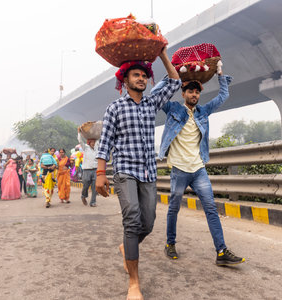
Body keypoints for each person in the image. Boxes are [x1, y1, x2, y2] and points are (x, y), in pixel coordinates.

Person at [96, 47, 180, 300]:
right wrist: (101, 172)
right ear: (125, 80)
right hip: (124, 170)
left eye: (144, 75)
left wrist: (163, 54)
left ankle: (127, 246)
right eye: (136, 75)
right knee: (132, 219)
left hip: (148, 171)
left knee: (149, 222)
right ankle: (134, 283)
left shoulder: (152, 102)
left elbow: (175, 81)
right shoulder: (115, 108)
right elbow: (105, 141)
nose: (141, 79)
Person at [155, 64, 245, 266]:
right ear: (183, 93)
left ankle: (221, 252)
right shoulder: (173, 109)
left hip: (198, 169)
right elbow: (155, 93)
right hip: (179, 169)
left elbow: (222, 97)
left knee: (211, 208)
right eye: (190, 91)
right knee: (174, 208)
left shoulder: (203, 112)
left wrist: (221, 74)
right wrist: (171, 75)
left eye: (197, 92)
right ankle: (170, 244)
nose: (194, 95)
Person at [78, 133, 99, 207]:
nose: (93, 143)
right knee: (85, 185)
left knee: (94, 187)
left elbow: (99, 139)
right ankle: (83, 196)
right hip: (86, 170)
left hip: (95, 169)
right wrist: (79, 132)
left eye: (94, 142)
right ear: (89, 142)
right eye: (92, 142)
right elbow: (80, 141)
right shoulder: (85, 148)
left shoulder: (97, 148)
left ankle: (93, 202)